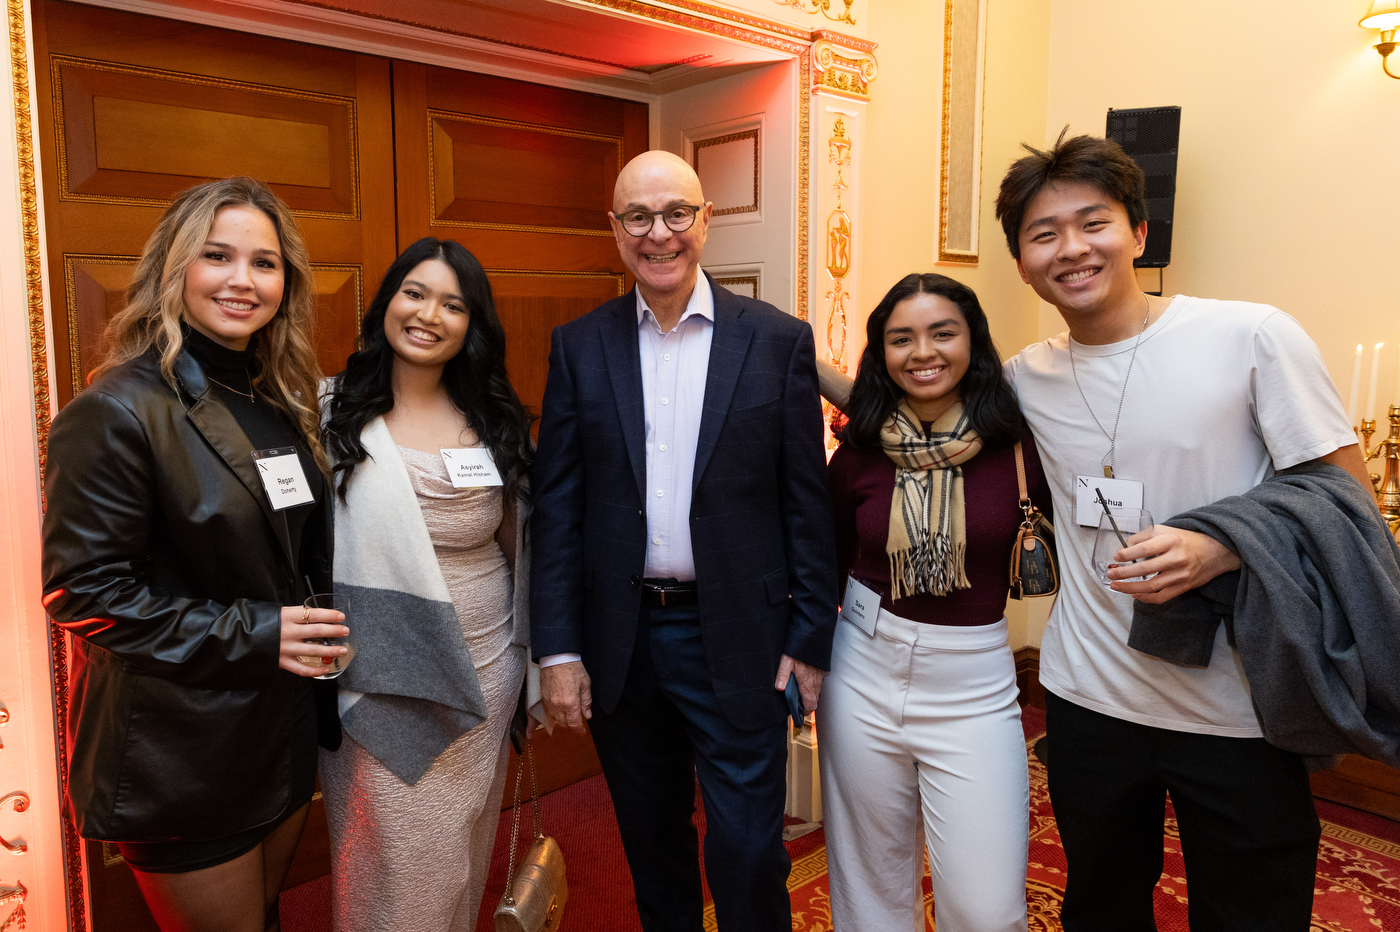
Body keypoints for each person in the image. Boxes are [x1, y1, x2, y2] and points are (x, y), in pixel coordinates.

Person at [993, 131, 1373, 932]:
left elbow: (1350, 499)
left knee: (1252, 914)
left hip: (1238, 709)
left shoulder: (1250, 336)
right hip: (1087, 698)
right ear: (1022, 262)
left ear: (1137, 232)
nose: (1071, 248)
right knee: (1100, 904)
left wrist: (1226, 542)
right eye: (1043, 234)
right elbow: (908, 417)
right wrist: (791, 354)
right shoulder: (1026, 376)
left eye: (1092, 223)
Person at [529, 149, 838, 932]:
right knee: (651, 843)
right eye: (638, 216)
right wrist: (557, 651)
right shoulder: (578, 346)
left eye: (676, 214)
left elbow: (808, 505)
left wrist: (809, 638)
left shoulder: (776, 341)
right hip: (621, 644)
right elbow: (559, 509)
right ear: (614, 229)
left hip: (740, 637)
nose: (657, 233)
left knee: (746, 851)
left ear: (706, 220)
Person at [41, 176, 347, 932]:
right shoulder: (115, 408)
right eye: (218, 256)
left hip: (275, 733)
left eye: (265, 263)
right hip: (179, 749)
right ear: (175, 268)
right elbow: (84, 592)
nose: (243, 280)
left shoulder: (276, 396)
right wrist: (263, 633)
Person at [318, 237, 536, 932]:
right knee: (385, 856)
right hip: (371, 670)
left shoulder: (495, 424)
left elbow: (519, 550)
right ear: (387, 301)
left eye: (453, 304)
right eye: (414, 293)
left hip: (483, 669)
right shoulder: (328, 411)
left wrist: (535, 662)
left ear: (474, 325)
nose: (429, 314)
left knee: (455, 850)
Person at [821, 273, 1048, 932]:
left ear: (971, 341)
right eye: (902, 338)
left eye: (942, 332)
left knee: (987, 911)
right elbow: (827, 560)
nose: (923, 351)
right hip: (863, 670)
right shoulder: (861, 449)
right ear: (881, 352)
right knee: (869, 894)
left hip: (973, 687)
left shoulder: (1017, 446)